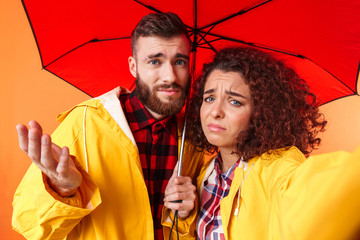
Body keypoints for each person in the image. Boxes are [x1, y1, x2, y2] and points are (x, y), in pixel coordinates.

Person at [12, 12, 204, 240]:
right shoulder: (85, 123)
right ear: (133, 67)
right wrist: (62, 189)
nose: (170, 76)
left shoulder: (194, 139)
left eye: (179, 61)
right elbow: (29, 224)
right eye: (155, 61)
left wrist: (185, 215)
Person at [182, 47, 360, 239]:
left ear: (260, 112)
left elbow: (320, 202)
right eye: (209, 98)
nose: (215, 111)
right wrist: (183, 216)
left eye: (234, 102)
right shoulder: (205, 175)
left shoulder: (279, 167)